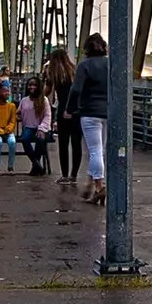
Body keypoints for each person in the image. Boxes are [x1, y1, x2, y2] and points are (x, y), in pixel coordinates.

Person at [69, 33, 110, 205]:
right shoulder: (110, 63)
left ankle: (99, 187)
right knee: (101, 150)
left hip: (89, 112)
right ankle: (90, 184)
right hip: (108, 112)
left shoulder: (84, 65)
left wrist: (70, 108)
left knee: (94, 150)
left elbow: (76, 89)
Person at [44, 47, 82, 184]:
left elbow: (46, 92)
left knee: (63, 144)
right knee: (77, 144)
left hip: (63, 111)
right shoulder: (75, 71)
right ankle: (74, 176)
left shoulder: (53, 73)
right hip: (77, 111)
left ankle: (65, 175)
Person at [18, 76, 53, 176]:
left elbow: (47, 115)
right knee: (24, 139)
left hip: (42, 128)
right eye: (30, 85)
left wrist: (42, 128)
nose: (32, 87)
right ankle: (36, 163)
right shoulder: (24, 100)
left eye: (34, 85)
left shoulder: (44, 100)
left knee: (40, 140)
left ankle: (35, 168)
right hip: (28, 127)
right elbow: (18, 112)